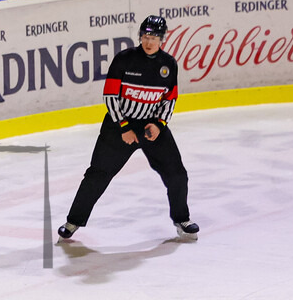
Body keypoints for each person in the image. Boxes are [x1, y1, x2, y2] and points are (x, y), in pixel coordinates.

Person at [57, 15, 200, 243]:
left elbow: (169, 99)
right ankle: (73, 221)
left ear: (162, 39)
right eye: (145, 36)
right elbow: (111, 96)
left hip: (151, 126)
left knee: (177, 174)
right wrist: (123, 127)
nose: (148, 41)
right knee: (97, 175)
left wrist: (158, 124)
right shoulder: (124, 59)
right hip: (118, 127)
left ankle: (181, 219)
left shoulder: (168, 64)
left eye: (153, 37)